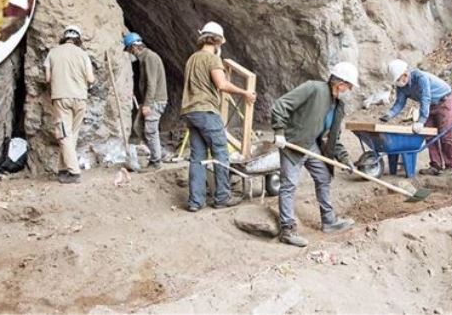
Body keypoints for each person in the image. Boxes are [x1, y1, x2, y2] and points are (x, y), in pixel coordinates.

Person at [271, 62, 359, 248]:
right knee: (289, 185)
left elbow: (333, 138)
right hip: (293, 143)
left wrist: (345, 159)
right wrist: (279, 131)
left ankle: (329, 221)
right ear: (340, 82)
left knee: (324, 176)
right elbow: (281, 105)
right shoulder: (313, 88)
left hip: (311, 145)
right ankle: (287, 230)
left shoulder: (337, 106)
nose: (349, 89)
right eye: (349, 85)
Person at [181, 22, 256, 212]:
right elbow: (222, 85)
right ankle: (222, 197)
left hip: (190, 111)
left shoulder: (192, 58)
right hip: (206, 110)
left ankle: (195, 202)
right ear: (217, 41)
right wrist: (245, 92)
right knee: (221, 152)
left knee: (197, 157)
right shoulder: (212, 59)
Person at [379, 60, 452, 176]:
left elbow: (425, 98)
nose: (398, 83)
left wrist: (421, 120)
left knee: (445, 134)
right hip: (430, 105)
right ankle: (435, 165)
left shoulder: (420, 77)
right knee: (428, 134)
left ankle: (451, 166)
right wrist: (389, 114)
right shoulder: (402, 86)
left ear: (405, 74)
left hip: (444, 100)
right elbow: (399, 103)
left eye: (398, 79)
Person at [44, 25, 95, 184]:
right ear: (78, 38)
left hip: (62, 98)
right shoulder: (83, 54)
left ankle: (74, 172)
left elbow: (47, 78)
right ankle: (63, 169)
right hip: (81, 98)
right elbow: (91, 79)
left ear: (64, 37)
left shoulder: (53, 52)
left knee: (64, 135)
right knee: (70, 135)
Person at [124, 32, 168, 170]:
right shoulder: (145, 59)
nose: (130, 53)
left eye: (129, 50)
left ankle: (156, 162)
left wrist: (147, 104)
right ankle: (161, 152)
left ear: (134, 47)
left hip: (155, 101)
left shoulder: (149, 57)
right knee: (138, 127)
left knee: (150, 131)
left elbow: (152, 83)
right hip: (150, 100)